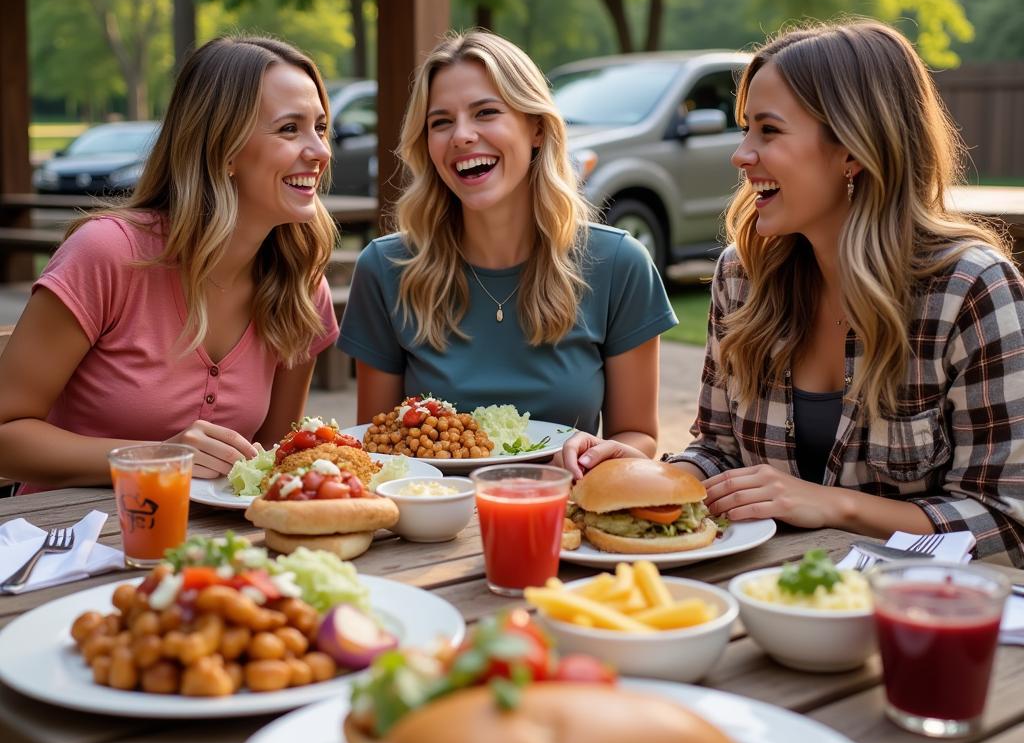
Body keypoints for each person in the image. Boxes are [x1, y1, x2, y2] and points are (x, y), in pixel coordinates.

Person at [562, 18, 1024, 566]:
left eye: (769, 131)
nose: (741, 155)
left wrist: (835, 506)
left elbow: (1004, 521)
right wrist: (648, 476)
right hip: (761, 597)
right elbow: (718, 452)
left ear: (852, 149)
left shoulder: (971, 289)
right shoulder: (743, 276)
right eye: (744, 129)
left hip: (910, 618)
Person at [0, 35, 340, 492]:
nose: (320, 151)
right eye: (289, 129)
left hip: (207, 552)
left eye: (320, 128)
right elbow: (5, 435)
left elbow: (270, 460)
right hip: (68, 546)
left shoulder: (301, 286)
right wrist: (156, 459)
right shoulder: (108, 255)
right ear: (224, 149)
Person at [338, 30, 676, 455]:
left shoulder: (619, 263)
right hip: (428, 516)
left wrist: (595, 457)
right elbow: (376, 444)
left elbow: (638, 437)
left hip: (556, 514)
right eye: (440, 122)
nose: (461, 135)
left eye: (485, 112)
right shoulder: (386, 268)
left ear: (536, 128)